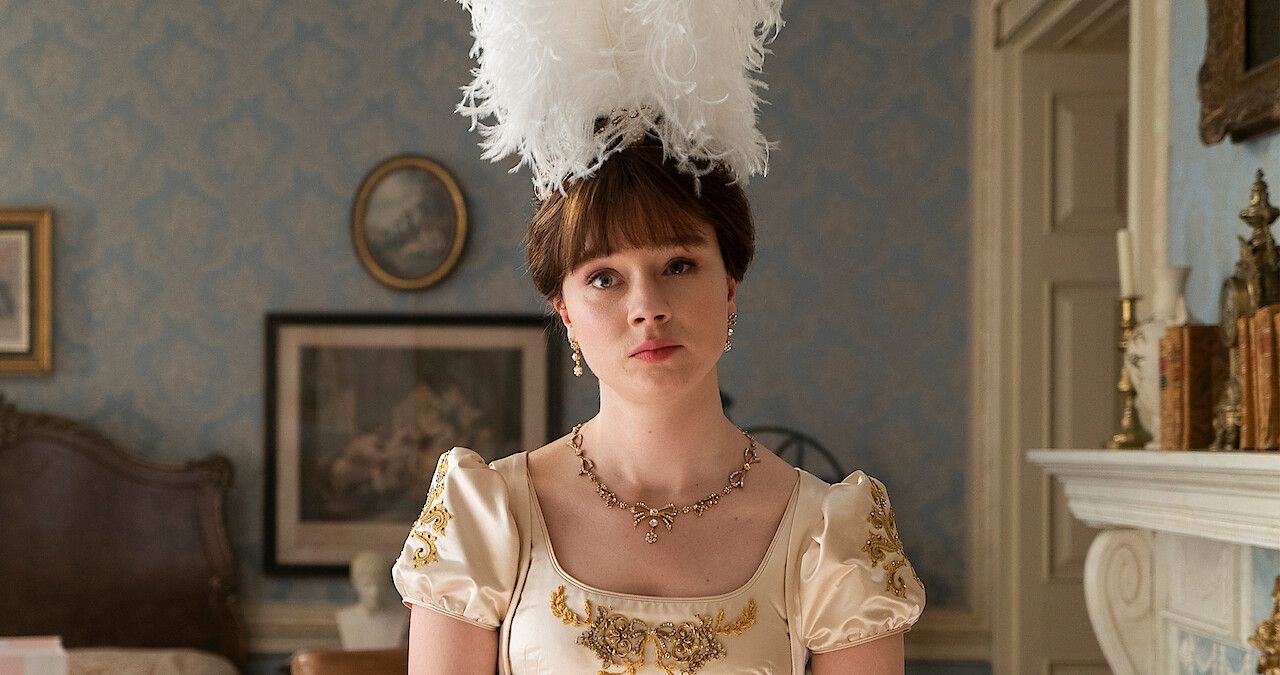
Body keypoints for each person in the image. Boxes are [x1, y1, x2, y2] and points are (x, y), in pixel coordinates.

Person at [392, 2, 924, 672]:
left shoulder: (830, 535)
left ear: (729, 285)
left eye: (677, 265)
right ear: (565, 312)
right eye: (606, 278)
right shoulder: (487, 515)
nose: (647, 306)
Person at [337, 550, 409, 650]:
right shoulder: (344, 617)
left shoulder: (402, 617)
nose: (374, 592)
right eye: (367, 585)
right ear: (355, 583)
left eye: (381, 584)